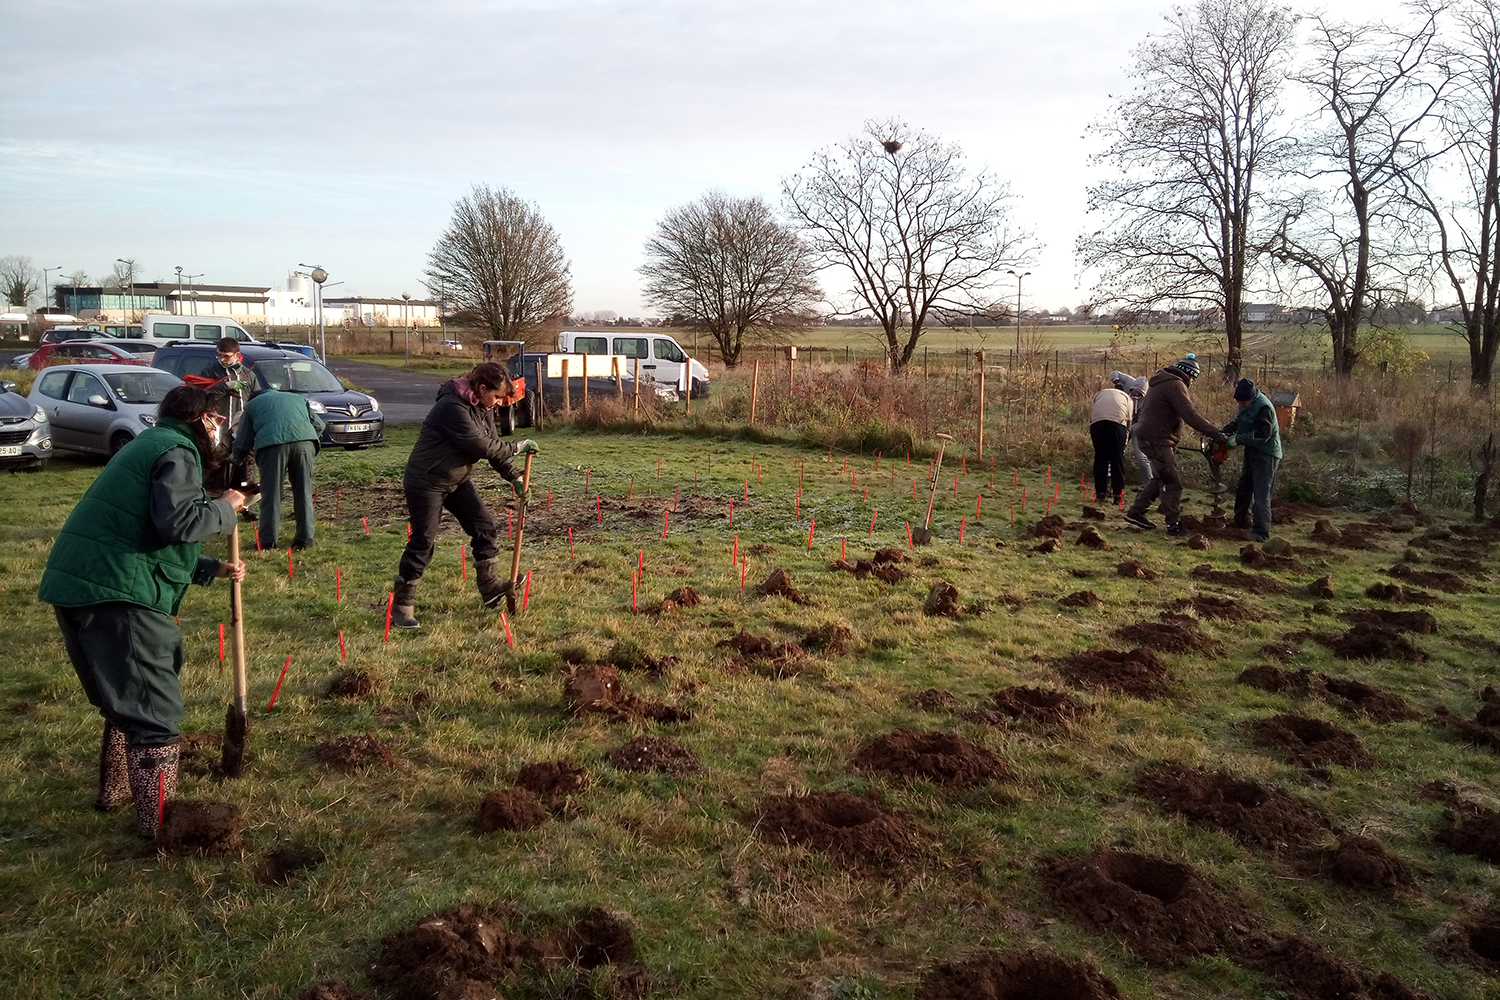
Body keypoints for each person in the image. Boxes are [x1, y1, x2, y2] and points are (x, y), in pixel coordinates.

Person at [38, 385, 248, 837]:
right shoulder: (177, 451)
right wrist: (227, 509)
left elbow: (142, 529)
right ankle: (159, 827)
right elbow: (179, 522)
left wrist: (209, 567)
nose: (222, 431)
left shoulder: (148, 444)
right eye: (218, 422)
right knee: (153, 710)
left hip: (80, 583)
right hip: (118, 592)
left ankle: (115, 791)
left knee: (124, 703)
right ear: (203, 421)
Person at [391, 362, 538, 628]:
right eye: (496, 397)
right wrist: (517, 446)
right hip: (426, 481)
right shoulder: (451, 407)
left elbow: (492, 447)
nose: (497, 403)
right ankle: (402, 606)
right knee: (423, 541)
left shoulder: (482, 409)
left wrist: (514, 476)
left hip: (457, 480)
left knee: (484, 527)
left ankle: (491, 587)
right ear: (482, 388)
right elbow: (480, 445)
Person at [1123, 353, 1230, 535]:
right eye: (1193, 379)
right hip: (1157, 439)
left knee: (1160, 478)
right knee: (1172, 482)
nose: (1192, 383)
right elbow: (1190, 415)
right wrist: (1215, 433)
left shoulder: (1162, 381)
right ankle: (1174, 525)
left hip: (1151, 437)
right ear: (1189, 375)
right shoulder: (1175, 385)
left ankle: (1136, 512)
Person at [230, 385, 326, 550]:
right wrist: (305, 439)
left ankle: (267, 542)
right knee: (303, 491)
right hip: (305, 442)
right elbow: (319, 425)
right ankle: (305, 540)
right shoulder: (297, 398)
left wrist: (234, 460)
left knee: (271, 494)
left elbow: (243, 440)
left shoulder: (252, 405)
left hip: (272, 446)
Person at [1223, 377, 1283, 542]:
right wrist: (1223, 432)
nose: (1241, 406)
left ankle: (1260, 532)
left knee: (1261, 493)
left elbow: (1262, 435)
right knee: (1244, 486)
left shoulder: (1264, 408)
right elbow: (1240, 421)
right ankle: (1240, 520)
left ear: (1252, 397)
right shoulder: (1247, 404)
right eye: (1239, 403)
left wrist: (1237, 439)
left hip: (1267, 454)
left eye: (1244, 403)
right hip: (1253, 451)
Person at [1089, 374, 1133, 506]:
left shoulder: (1100, 393)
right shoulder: (1127, 398)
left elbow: (1092, 412)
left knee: (1100, 458)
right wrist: (1125, 440)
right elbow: (1129, 421)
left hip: (1097, 424)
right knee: (1117, 460)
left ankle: (1100, 494)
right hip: (1117, 425)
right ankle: (1118, 496)